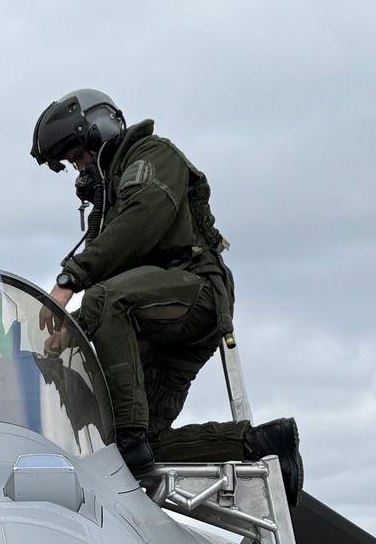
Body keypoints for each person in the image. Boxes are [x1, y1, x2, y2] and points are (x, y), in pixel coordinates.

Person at [31, 89, 301, 500]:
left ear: (101, 130)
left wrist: (69, 281)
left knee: (106, 303)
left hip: (195, 291)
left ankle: (130, 439)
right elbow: (114, 288)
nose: (80, 169)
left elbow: (140, 226)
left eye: (79, 157)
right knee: (139, 450)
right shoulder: (113, 195)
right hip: (157, 324)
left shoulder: (154, 158)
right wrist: (71, 331)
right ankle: (263, 444)